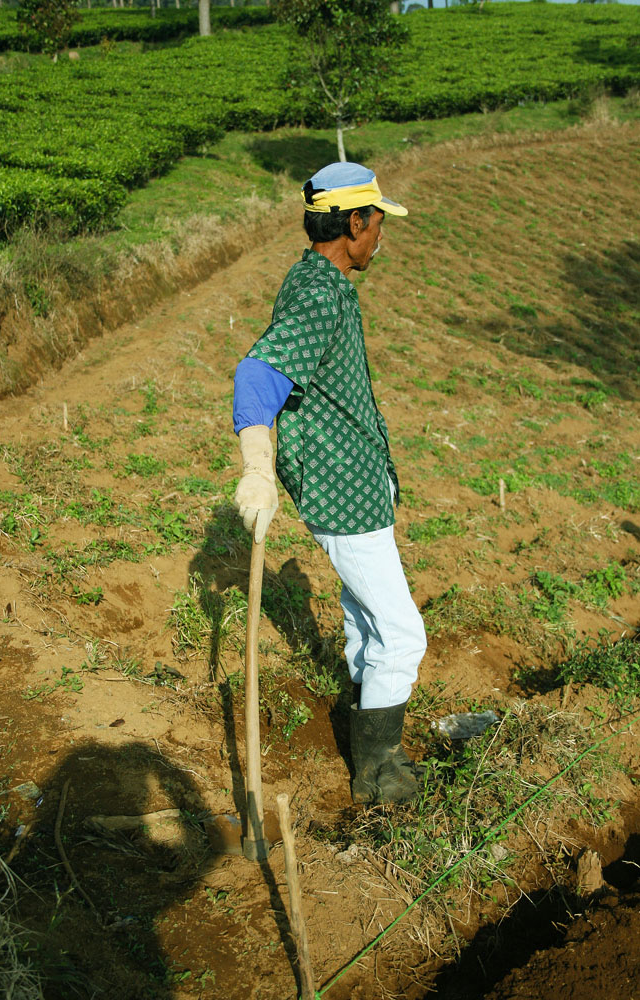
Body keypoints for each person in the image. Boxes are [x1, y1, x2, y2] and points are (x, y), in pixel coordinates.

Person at [232, 162, 427, 805]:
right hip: (341, 487)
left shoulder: (318, 279)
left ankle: (369, 731)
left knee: (369, 620)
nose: (382, 238)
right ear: (353, 223)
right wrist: (257, 468)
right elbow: (256, 376)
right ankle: (378, 771)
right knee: (401, 633)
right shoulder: (320, 293)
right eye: (377, 224)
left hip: (353, 481)